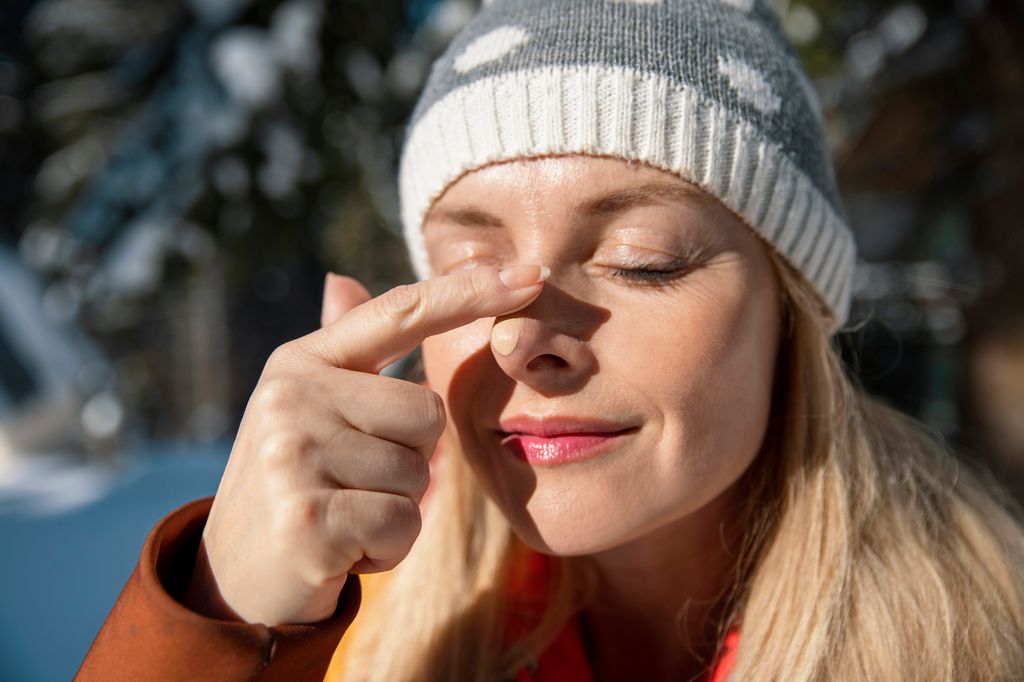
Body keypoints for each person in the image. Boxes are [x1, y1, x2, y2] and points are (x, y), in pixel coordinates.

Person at [79, 0, 1024, 680]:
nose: (527, 341)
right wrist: (224, 628)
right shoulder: (353, 635)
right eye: (470, 266)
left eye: (640, 258)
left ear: (793, 307)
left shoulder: (985, 640)